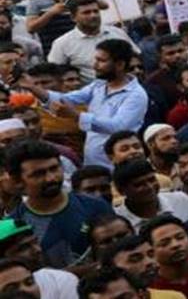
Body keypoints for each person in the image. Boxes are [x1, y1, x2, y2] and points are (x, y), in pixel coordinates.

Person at [29, 38, 146, 168]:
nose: (95, 65)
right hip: (93, 163)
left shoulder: (136, 95)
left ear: (119, 65)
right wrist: (31, 87)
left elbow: (117, 127)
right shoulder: (98, 85)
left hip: (120, 166)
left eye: (101, 61)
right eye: (96, 59)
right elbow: (66, 99)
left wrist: (76, 116)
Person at [7, 139, 113, 267]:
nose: (51, 178)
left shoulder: (95, 206)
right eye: (38, 174)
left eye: (54, 169)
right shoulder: (15, 225)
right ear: (18, 181)